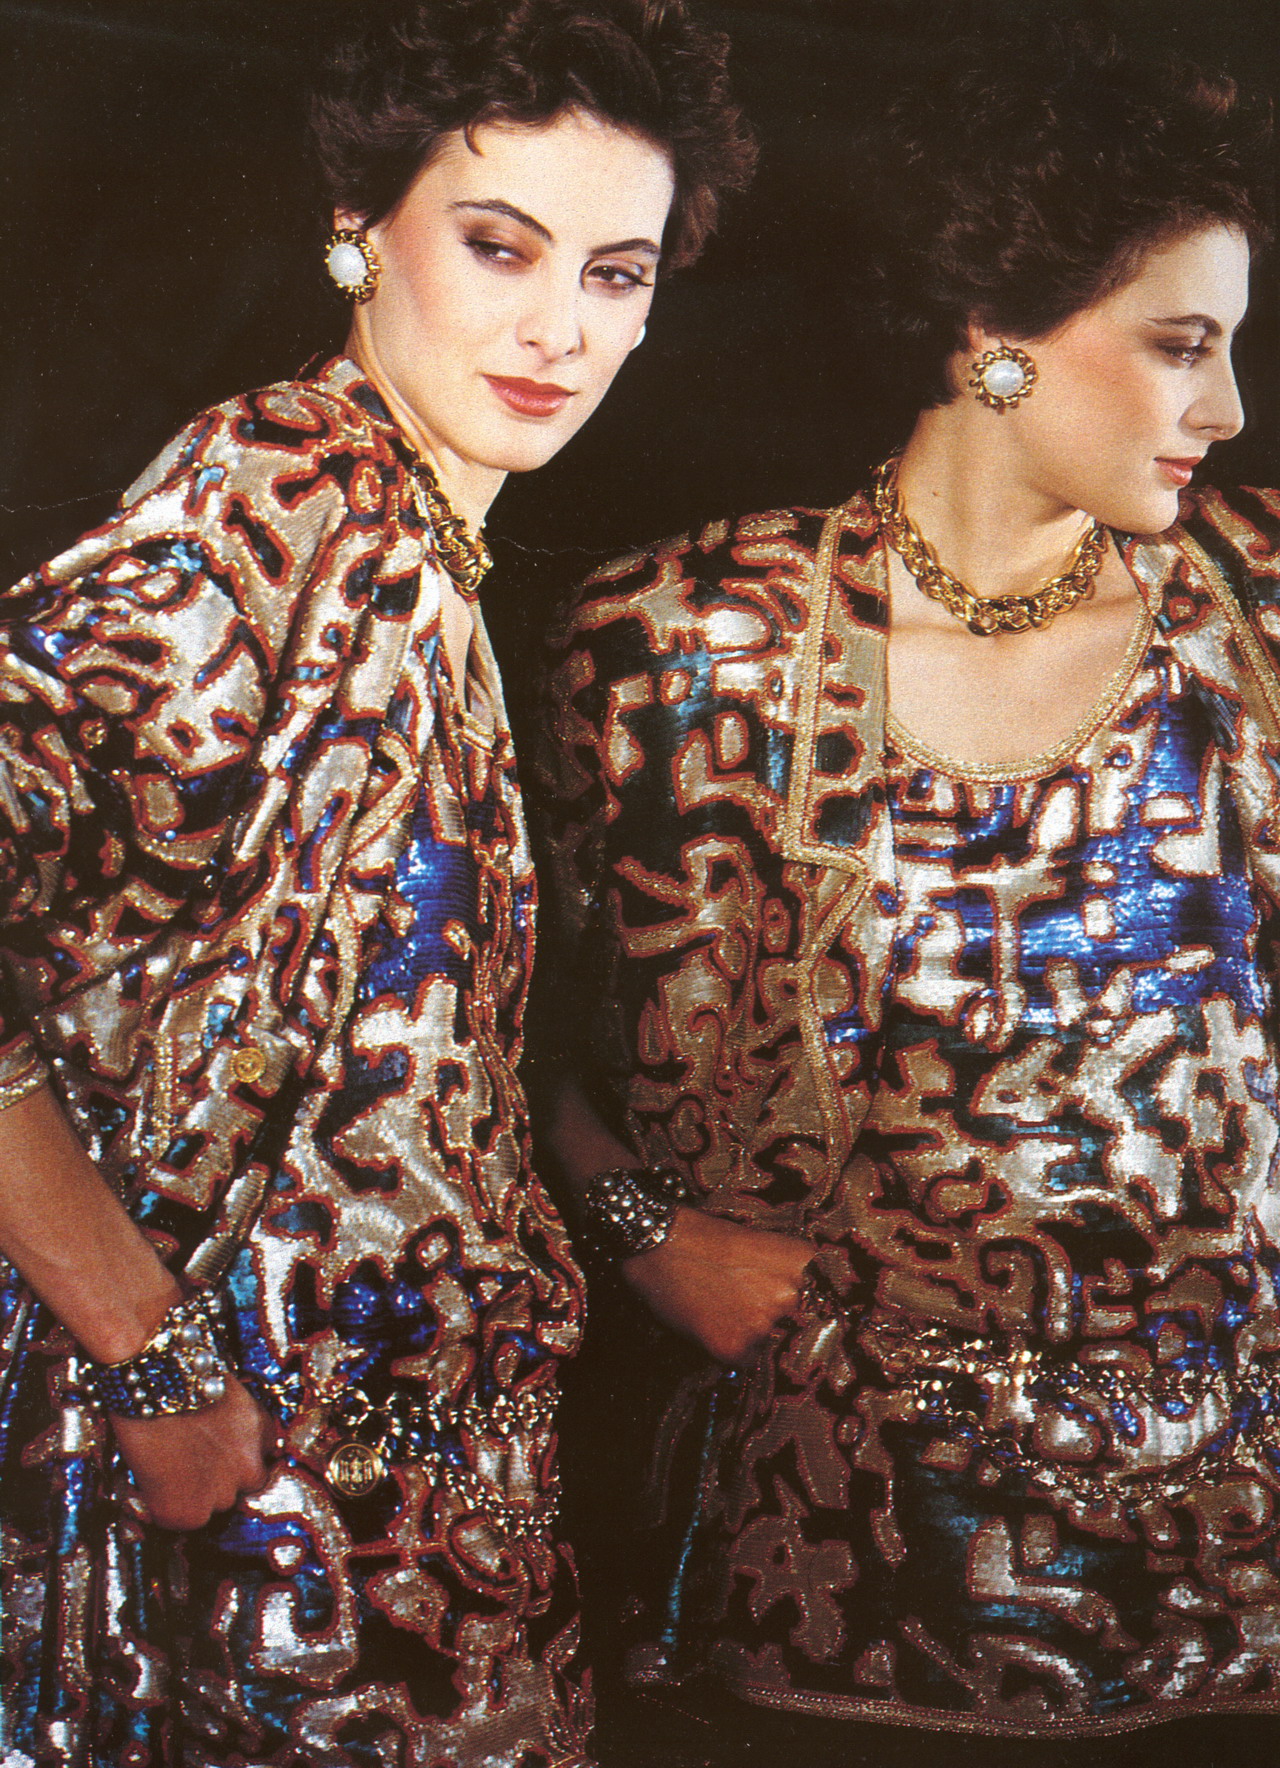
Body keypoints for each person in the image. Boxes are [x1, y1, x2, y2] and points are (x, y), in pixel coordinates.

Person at [0, 4, 754, 1764]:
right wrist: (152, 1357)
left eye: (618, 274)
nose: (560, 329)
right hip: (238, 1521)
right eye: (500, 247)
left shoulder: (410, 531)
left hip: (398, 1517)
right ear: (361, 230)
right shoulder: (273, 506)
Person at [535, 27, 1280, 1767]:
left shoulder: (1258, 614)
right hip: (830, 1547)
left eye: (1230, 348)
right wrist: (649, 1236)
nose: (1230, 409)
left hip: (1239, 1570)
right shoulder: (676, 641)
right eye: (1181, 347)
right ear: (990, 336)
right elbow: (503, 1034)